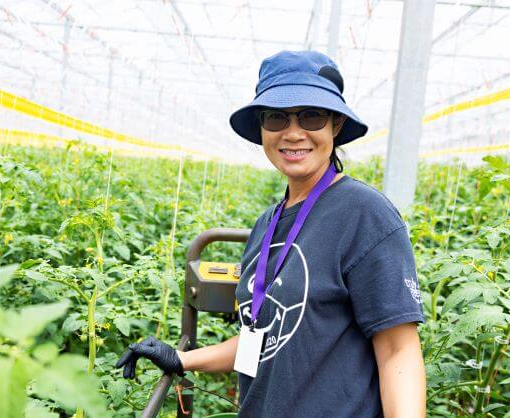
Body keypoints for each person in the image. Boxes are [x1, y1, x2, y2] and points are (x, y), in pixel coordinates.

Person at [116, 50, 427, 417]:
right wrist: (182, 359)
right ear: (262, 129)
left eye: (311, 116)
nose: (293, 132)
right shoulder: (267, 224)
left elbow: (397, 351)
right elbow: (263, 342)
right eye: (276, 118)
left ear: (336, 125)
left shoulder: (364, 214)